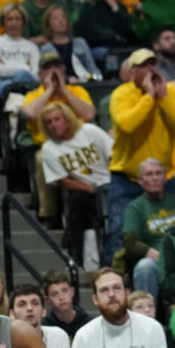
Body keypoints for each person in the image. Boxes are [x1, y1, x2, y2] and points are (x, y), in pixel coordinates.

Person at [106, 47, 175, 264]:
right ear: (132, 72)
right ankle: (113, 280)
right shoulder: (121, 94)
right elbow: (127, 125)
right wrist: (149, 96)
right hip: (126, 179)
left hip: (164, 178)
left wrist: (162, 97)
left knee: (173, 231)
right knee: (118, 233)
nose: (150, 69)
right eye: (143, 65)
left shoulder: (170, 91)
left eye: (153, 64)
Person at [40, 102, 112, 265]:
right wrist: (91, 189)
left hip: (111, 182)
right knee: (77, 200)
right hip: (85, 190)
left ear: (67, 118)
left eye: (57, 119)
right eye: (48, 122)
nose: (53, 125)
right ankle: (76, 254)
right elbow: (63, 180)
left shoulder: (90, 131)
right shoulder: (49, 148)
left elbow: (113, 156)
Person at [71, 268, 168, 348]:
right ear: (95, 299)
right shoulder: (83, 337)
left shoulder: (152, 329)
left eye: (116, 288)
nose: (112, 294)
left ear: (127, 293)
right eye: (104, 290)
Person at [122, 158, 175, 301]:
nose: (155, 178)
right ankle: (146, 316)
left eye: (158, 173)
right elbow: (130, 242)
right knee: (145, 267)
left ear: (165, 178)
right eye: (149, 175)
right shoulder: (136, 207)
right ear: (140, 180)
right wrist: (155, 254)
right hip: (158, 258)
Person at [9, 284, 70, 348]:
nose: (29, 308)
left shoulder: (59, 337)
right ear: (12, 314)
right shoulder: (3, 344)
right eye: (22, 304)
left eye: (35, 303)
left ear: (44, 311)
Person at [41, 269, 90, 339]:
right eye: (54, 294)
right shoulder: (44, 327)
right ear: (47, 300)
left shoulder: (89, 323)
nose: (61, 297)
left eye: (64, 291)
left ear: (72, 292)